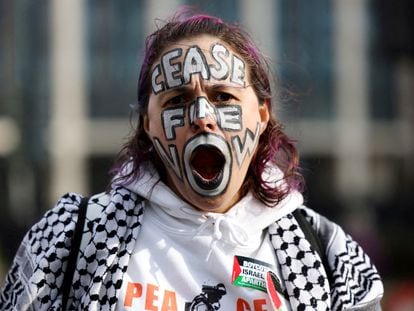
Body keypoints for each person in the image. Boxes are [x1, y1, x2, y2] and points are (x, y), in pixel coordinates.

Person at [0, 9, 383, 311]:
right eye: (177, 100)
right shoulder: (71, 240)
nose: (202, 115)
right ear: (148, 122)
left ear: (262, 114)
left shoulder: (331, 258)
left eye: (223, 97)